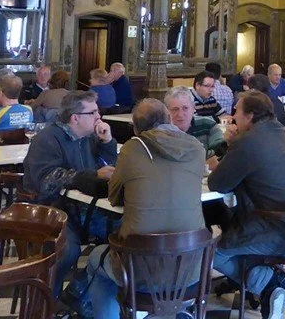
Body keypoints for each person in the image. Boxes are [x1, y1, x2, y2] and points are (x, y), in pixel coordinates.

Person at [86, 98, 206, 319]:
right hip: (192, 269)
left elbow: (113, 197)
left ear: (135, 128)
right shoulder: (197, 147)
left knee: (96, 258)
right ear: (169, 119)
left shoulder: (133, 148)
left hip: (139, 272)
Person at [208, 91, 285, 319]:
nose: (233, 116)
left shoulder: (248, 142)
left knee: (211, 253)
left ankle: (270, 284)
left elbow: (218, 183)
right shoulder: (280, 132)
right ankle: (273, 286)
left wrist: (231, 146)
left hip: (282, 231)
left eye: (237, 111)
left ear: (249, 116)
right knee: (234, 230)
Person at [23, 90, 117, 297]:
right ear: (75, 118)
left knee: (123, 238)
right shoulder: (47, 139)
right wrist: (90, 176)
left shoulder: (89, 137)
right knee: (67, 251)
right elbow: (46, 180)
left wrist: (107, 141)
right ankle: (46, 301)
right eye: (93, 113)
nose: (98, 117)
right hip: (50, 210)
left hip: (83, 209)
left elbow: (110, 165)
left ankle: (79, 294)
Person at [165, 86, 225, 156]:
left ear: (193, 108)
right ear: (167, 111)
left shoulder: (208, 124)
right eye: (175, 109)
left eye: (185, 108)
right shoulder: (162, 132)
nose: (180, 114)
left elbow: (220, 150)